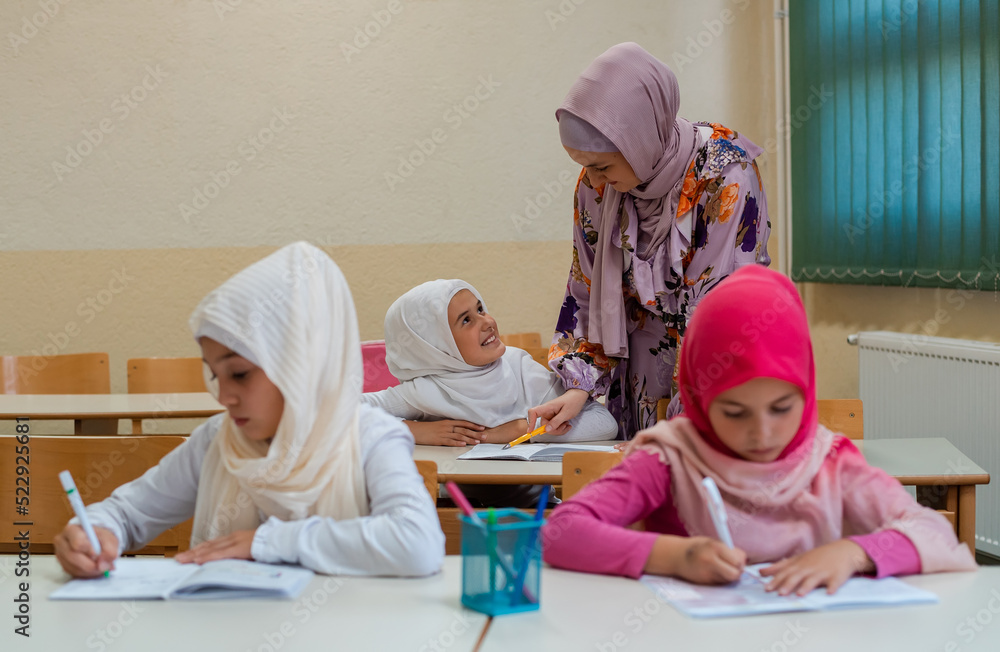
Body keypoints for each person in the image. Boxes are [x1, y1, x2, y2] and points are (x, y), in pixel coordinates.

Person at [542, 266, 976, 595]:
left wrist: (856, 552)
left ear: (806, 392)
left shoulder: (828, 461)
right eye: (734, 412)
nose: (763, 433)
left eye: (782, 408)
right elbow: (560, 532)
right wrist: (676, 556)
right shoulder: (671, 457)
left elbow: (937, 534)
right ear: (697, 395)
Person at [54, 242, 445, 578]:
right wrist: (93, 533)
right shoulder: (219, 441)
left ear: (299, 364)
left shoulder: (368, 437)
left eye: (239, 374)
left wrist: (266, 542)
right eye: (215, 375)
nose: (224, 397)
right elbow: (127, 513)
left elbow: (417, 543)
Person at [529, 42, 771, 440]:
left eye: (602, 166)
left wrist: (681, 427)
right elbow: (587, 291)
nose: (593, 182)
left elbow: (720, 307)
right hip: (639, 369)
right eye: (583, 168)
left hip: (717, 372)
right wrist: (577, 386)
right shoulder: (598, 187)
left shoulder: (724, 175)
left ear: (638, 139)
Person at [362, 279, 617, 507]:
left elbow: (605, 424)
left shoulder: (519, 368)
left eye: (480, 309)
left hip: (537, 513)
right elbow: (339, 413)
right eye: (466, 320)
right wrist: (416, 430)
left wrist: (521, 430)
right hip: (454, 514)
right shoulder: (425, 390)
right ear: (435, 345)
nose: (487, 322)